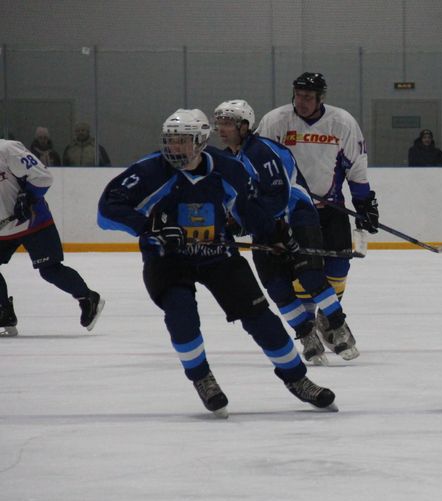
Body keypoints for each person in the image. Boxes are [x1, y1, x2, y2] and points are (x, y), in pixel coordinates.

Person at [97, 109, 336, 417]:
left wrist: (277, 234)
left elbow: (250, 212)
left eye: (181, 141)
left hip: (217, 256)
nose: (173, 148)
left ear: (199, 142)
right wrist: (149, 227)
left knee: (261, 318)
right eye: (169, 141)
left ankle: (298, 379)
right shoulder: (150, 171)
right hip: (167, 259)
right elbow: (106, 210)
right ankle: (202, 378)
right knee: (181, 314)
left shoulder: (228, 170)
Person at [214, 99, 357, 364]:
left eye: (228, 123)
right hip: (267, 225)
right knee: (276, 286)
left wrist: (282, 231)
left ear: (244, 126)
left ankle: (338, 327)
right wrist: (232, 225)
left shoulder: (261, 151)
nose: (221, 129)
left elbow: (278, 193)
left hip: (296, 216)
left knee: (310, 275)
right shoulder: (230, 159)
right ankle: (306, 335)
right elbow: (237, 201)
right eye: (219, 123)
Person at [256, 72, 378, 358]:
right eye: (298, 95)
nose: (302, 101)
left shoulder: (342, 122)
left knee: (339, 268)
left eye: (308, 97)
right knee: (303, 272)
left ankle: (326, 316)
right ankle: (310, 326)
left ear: (321, 98)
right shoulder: (275, 121)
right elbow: (260, 165)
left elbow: (355, 166)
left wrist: (364, 205)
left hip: (330, 207)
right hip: (293, 212)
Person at [0, 139, 104, 336]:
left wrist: (28, 197)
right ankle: (3, 312)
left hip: (32, 221)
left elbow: (43, 176)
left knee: (50, 270)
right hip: (3, 229)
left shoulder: (6, 150)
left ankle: (88, 297)